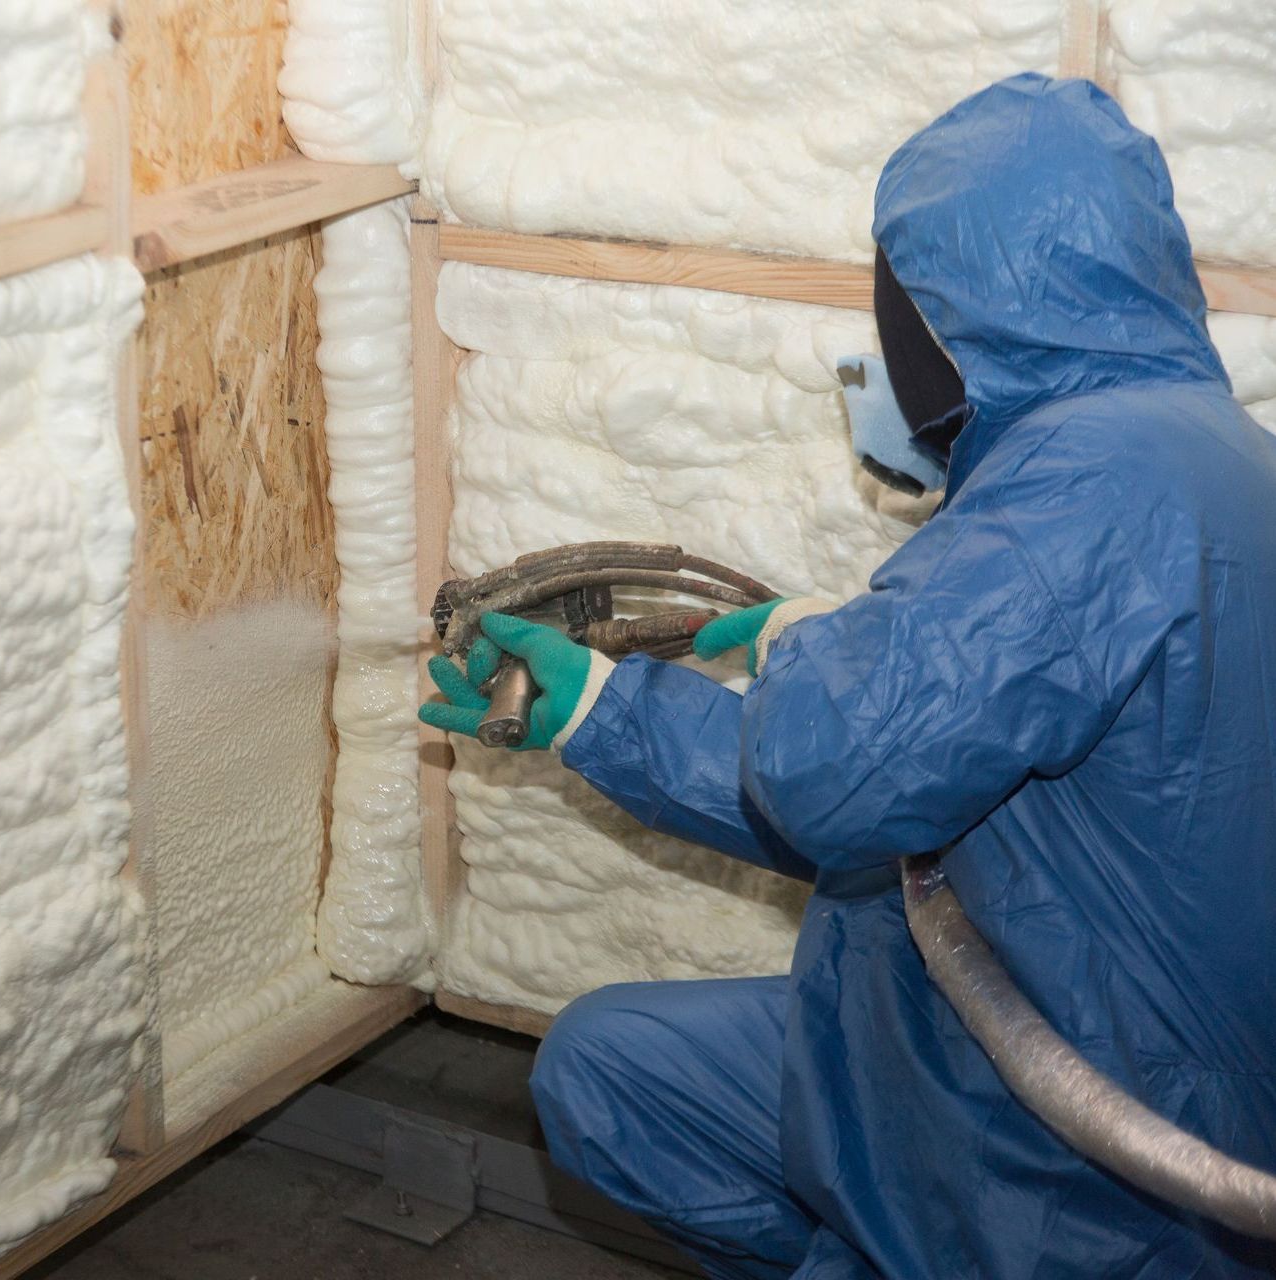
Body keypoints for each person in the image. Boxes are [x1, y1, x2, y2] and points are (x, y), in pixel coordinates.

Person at [419, 74, 1276, 1278]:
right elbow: (920, 800)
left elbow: (829, 779)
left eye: (902, 308)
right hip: (981, 1006)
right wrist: (616, 715)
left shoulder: (1084, 490)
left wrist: (670, 684)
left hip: (1076, 1137)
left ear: (955, 310)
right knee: (613, 1071)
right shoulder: (1190, 448)